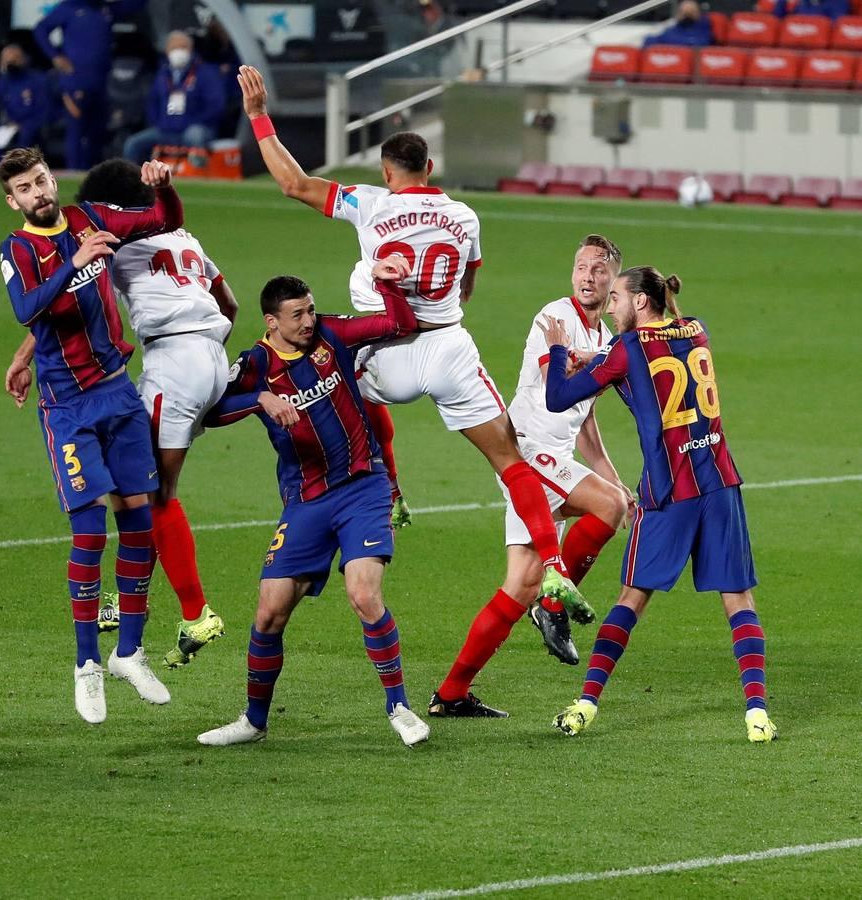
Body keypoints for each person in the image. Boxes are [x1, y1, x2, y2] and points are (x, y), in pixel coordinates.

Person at [234, 65, 593, 623]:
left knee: (346, 386)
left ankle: (391, 491)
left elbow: (294, 183)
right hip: (447, 347)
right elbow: (469, 282)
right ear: (431, 168)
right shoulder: (464, 215)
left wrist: (259, 117)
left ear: (387, 171)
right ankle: (553, 567)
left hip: (386, 350)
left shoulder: (371, 203)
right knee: (509, 461)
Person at [5, 158, 238, 669]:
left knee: (149, 497)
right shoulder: (187, 240)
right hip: (214, 353)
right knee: (142, 491)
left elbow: (72, 297)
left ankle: (194, 611)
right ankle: (132, 599)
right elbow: (230, 303)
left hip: (172, 363)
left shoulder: (112, 238)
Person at [196, 274, 432, 749]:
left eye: (310, 310)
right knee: (269, 612)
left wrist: (388, 285)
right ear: (271, 322)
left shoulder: (330, 334)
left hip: (364, 485)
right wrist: (259, 398)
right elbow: (210, 410)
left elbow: (401, 322)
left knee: (364, 594)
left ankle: (400, 707)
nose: (308, 320)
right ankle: (254, 721)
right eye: (297, 315)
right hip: (306, 500)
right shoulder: (256, 364)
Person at [544, 268, 776, 744]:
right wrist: (601, 357)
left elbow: (558, 397)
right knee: (738, 600)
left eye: (616, 299)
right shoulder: (697, 328)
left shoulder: (626, 351)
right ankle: (756, 715)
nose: (609, 307)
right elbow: (654, 354)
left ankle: (586, 705)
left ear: (641, 303)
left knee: (632, 598)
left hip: (669, 493)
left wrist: (559, 351)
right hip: (719, 482)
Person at [0, 146, 182, 724]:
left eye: (44, 180)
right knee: (89, 531)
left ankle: (129, 651)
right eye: (27, 188)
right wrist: (73, 264)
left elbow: (164, 221)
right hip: (68, 407)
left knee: (139, 520)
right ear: (14, 200)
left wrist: (164, 187)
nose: (40, 192)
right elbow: (28, 307)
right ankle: (86, 664)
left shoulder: (91, 219)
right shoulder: (18, 249)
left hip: (118, 394)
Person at [428, 235, 633, 719]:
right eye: (581, 267)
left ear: (612, 281)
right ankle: (553, 607)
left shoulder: (603, 340)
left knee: (520, 581)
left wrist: (612, 474)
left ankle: (452, 693)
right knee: (609, 507)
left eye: (598, 270)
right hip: (527, 452)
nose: (587, 276)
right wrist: (611, 491)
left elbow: (582, 418)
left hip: (556, 458)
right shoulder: (555, 318)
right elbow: (558, 385)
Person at [33, 0, 148, 170]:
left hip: (101, 82)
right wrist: (55, 56)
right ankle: (73, 173)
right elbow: (40, 29)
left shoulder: (106, 8)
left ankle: (92, 173)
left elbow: (137, 4)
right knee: (76, 130)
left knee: (97, 130)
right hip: (75, 80)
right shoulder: (69, 7)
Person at [121, 31, 225, 168]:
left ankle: (200, 176)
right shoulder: (163, 74)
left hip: (195, 127)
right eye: (174, 48)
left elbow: (216, 105)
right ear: (167, 51)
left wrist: (193, 121)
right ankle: (131, 180)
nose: (179, 52)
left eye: (183, 47)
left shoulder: (206, 73)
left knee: (195, 136)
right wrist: (159, 122)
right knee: (133, 143)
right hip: (166, 129)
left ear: (191, 49)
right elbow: (152, 101)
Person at [0, 44, 52, 165]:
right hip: (9, 122)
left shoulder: (37, 80)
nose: (11, 62)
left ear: (24, 59)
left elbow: (43, 108)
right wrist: (8, 120)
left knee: (26, 136)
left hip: (30, 121)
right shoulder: (1, 81)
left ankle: (19, 171)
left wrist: (22, 122)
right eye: (7, 59)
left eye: (15, 58)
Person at [642, 0, 713, 47]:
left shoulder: (704, 27)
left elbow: (702, 42)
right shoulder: (674, 28)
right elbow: (650, 40)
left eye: (691, 12)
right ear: (678, 13)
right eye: (684, 12)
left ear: (698, 13)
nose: (687, 15)